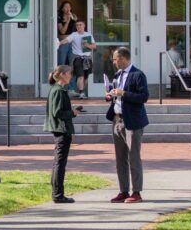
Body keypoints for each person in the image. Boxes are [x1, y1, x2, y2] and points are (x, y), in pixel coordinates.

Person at [106, 46, 149, 204]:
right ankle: (123, 191)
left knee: (133, 157)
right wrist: (110, 95)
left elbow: (144, 96)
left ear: (123, 58)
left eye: (115, 59)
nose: (114, 62)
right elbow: (116, 94)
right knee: (120, 158)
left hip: (132, 122)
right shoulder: (117, 74)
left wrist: (124, 93)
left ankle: (136, 192)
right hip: (117, 120)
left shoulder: (138, 75)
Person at [43, 64, 81, 204]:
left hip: (60, 129)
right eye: (69, 73)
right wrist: (72, 113)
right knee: (59, 163)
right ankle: (58, 194)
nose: (71, 76)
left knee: (58, 162)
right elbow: (57, 112)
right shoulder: (58, 90)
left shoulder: (56, 89)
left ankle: (57, 193)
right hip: (62, 129)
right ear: (62, 74)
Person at [57, 20, 97, 99]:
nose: (79, 26)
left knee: (86, 77)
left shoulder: (88, 35)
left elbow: (94, 46)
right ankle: (81, 93)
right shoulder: (74, 35)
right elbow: (66, 40)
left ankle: (81, 91)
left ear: (84, 26)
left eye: (80, 25)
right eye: (77, 25)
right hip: (77, 58)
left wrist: (87, 45)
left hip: (87, 58)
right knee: (80, 76)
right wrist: (58, 43)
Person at [57, 1, 77, 66]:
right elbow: (62, 31)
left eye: (69, 7)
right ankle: (60, 75)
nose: (68, 8)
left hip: (72, 42)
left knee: (72, 62)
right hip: (63, 42)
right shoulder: (59, 18)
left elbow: (78, 23)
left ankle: (71, 76)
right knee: (61, 62)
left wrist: (72, 18)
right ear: (62, 9)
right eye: (66, 7)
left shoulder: (73, 16)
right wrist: (68, 21)